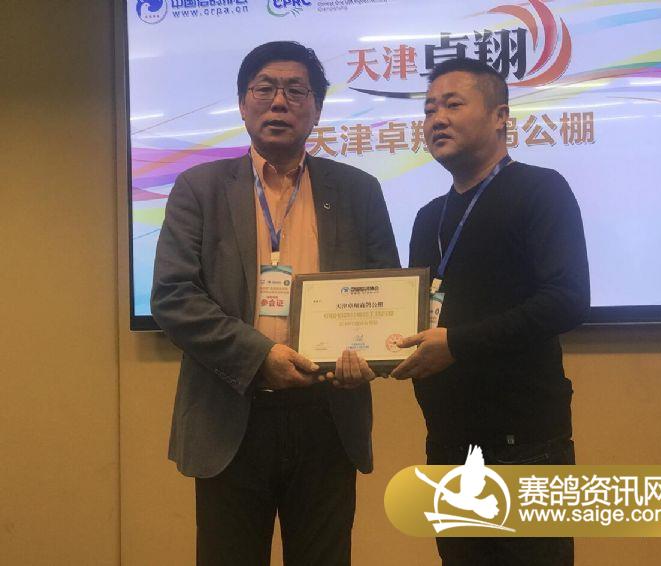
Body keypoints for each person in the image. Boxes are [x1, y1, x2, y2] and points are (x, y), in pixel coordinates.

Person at [151, 41, 399, 566]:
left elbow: (386, 293)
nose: (279, 102)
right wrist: (259, 355)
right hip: (230, 413)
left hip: (328, 415)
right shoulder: (200, 188)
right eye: (264, 89)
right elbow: (174, 297)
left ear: (317, 109)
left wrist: (371, 357)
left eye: (296, 91)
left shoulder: (358, 190)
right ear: (243, 105)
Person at [391, 57, 590, 565]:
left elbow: (566, 300)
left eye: (453, 104)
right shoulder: (428, 217)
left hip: (525, 444)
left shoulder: (540, 190)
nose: (437, 119)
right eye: (429, 109)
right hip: (448, 444)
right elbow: (418, 315)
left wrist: (457, 345)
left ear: (500, 116)